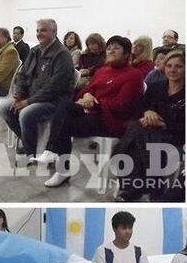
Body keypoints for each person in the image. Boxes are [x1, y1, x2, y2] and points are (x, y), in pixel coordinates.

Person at [38, 36, 145, 188]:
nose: (111, 51)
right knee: (64, 107)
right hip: (93, 112)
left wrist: (95, 102)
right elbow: (84, 91)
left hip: (112, 121)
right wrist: (87, 95)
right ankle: (52, 152)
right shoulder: (103, 70)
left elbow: (122, 106)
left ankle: (62, 167)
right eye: (109, 48)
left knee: (64, 125)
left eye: (116, 48)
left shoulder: (133, 75)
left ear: (127, 54)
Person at [114, 50, 185, 201]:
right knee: (140, 132)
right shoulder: (156, 87)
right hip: (149, 133)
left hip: (173, 135)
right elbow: (140, 107)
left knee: (136, 138)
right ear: (164, 67)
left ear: (185, 68)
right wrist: (147, 112)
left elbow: (186, 128)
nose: (172, 70)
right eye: (169, 65)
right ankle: (152, 188)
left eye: (178, 66)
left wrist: (163, 123)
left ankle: (131, 189)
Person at [0, 18, 75, 160]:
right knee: (5, 107)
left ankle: (30, 151)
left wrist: (28, 101)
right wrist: (20, 94)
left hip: (54, 101)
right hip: (31, 96)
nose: (39, 33)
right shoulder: (35, 51)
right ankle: (27, 139)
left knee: (25, 113)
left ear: (54, 32)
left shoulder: (62, 54)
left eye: (43, 30)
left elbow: (55, 87)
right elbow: (22, 74)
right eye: (37, 30)